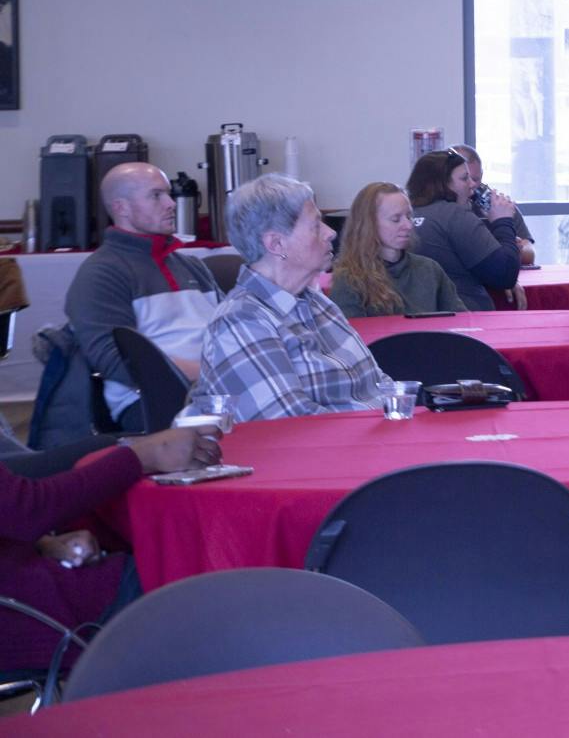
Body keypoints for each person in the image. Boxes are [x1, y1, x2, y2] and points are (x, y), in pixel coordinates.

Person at [0, 425, 222, 673]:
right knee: (205, 581)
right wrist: (143, 457)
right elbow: (27, 509)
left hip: (27, 586)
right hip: (32, 613)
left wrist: (43, 544)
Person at [190, 174, 387, 422]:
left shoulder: (318, 304)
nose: (330, 233)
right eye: (316, 226)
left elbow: (378, 384)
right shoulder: (240, 321)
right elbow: (290, 423)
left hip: (369, 440)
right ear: (276, 244)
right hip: (321, 452)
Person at [64, 162, 225, 432]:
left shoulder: (191, 265)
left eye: (168, 194)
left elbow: (228, 328)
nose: (171, 203)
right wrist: (211, 373)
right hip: (152, 403)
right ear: (121, 208)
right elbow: (116, 361)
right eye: (156, 195)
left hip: (216, 391)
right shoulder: (101, 274)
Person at [327, 182, 466, 318]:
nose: (408, 225)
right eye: (395, 219)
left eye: (409, 216)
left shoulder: (430, 269)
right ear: (369, 225)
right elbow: (350, 337)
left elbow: (461, 321)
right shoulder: (349, 280)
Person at [406, 150, 521, 313]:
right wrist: (503, 222)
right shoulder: (454, 215)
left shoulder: (407, 216)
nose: (472, 184)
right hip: (466, 318)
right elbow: (504, 274)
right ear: (442, 184)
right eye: (464, 178)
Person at [450, 143, 535, 266]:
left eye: (475, 179)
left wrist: (514, 248)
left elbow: (529, 254)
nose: (472, 185)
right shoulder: (437, 211)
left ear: (482, 175)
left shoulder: (496, 205)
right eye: (464, 179)